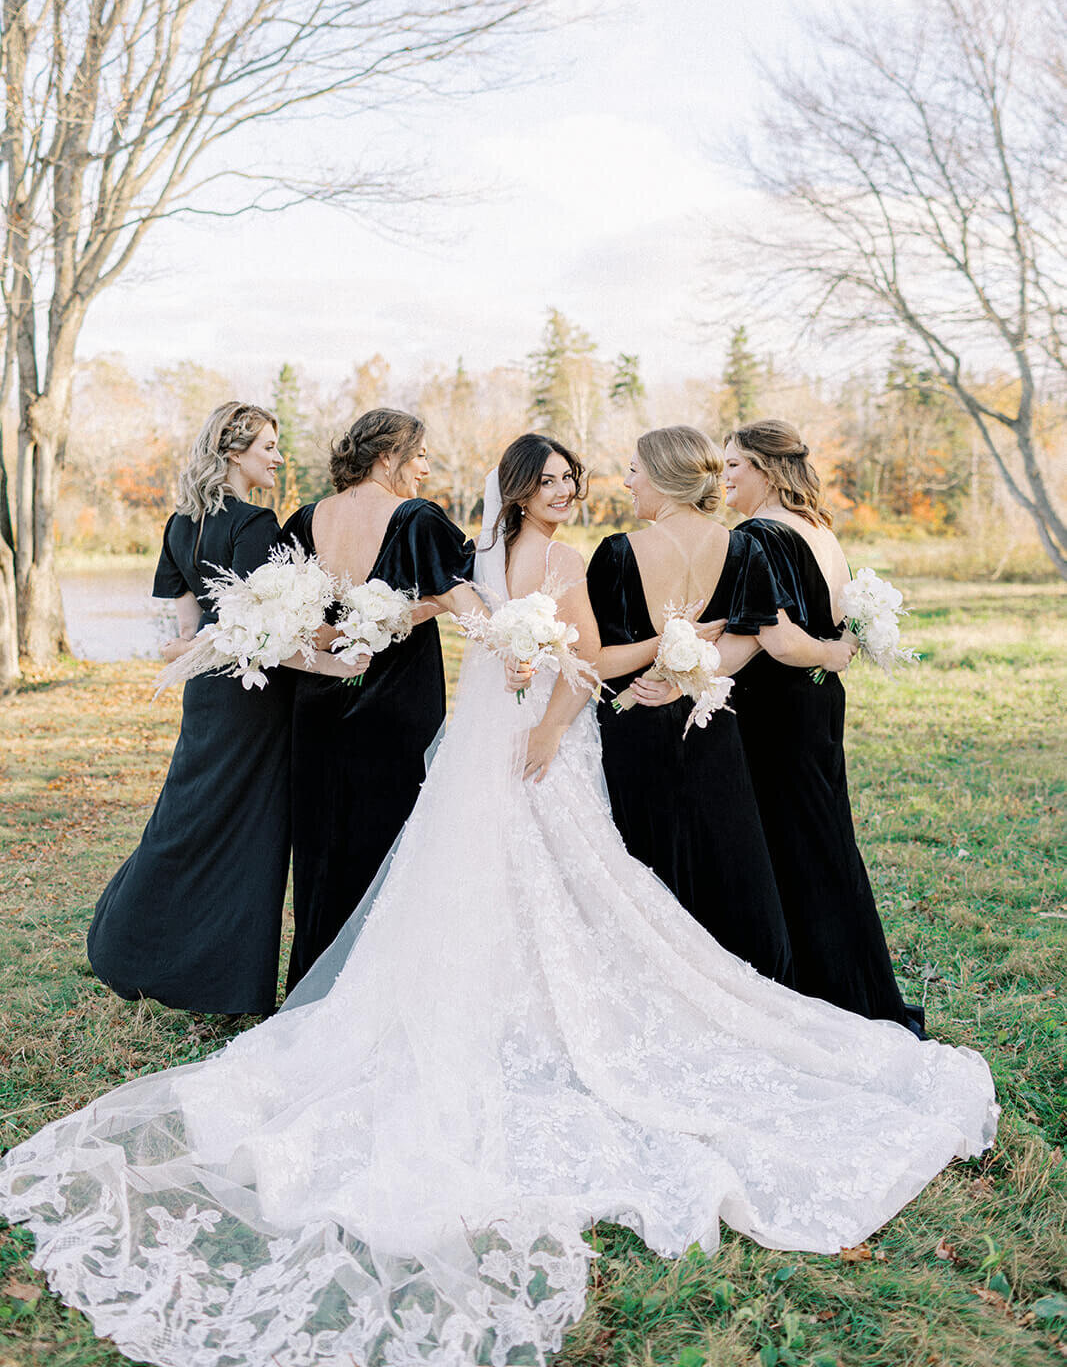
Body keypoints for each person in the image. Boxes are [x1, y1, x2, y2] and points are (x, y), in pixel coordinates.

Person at [0, 433, 997, 1367]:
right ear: (520, 488)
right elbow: (489, 629)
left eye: (574, 483)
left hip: (536, 738)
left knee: (566, 886)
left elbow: (579, 658)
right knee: (459, 878)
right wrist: (538, 668)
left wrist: (557, 698)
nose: (567, 494)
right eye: (552, 483)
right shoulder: (492, 554)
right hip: (494, 741)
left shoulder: (555, 561)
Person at [87, 403, 293, 1016]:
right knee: (252, 834)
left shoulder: (180, 524)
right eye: (267, 446)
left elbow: (183, 632)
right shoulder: (258, 523)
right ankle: (226, 983)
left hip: (203, 693)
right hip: (254, 695)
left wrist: (203, 643)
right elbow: (259, 631)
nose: (277, 457)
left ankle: (141, 945)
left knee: (187, 819)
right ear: (234, 452)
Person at [719, 417, 923, 1031]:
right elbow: (838, 621)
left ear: (765, 469)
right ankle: (847, 986)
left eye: (733, 465)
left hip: (777, 705)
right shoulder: (819, 530)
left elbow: (778, 639)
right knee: (823, 838)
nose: (723, 477)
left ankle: (824, 996)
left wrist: (830, 653)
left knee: (791, 842)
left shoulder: (757, 535)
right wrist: (834, 655)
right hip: (816, 702)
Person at [587, 425, 800, 981]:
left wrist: (661, 677)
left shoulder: (616, 553)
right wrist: (686, 682)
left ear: (660, 476)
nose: (628, 481)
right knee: (722, 850)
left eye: (634, 470)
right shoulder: (744, 546)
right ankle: (732, 979)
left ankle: (654, 981)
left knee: (645, 854)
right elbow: (749, 635)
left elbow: (595, 657)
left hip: (631, 724)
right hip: (709, 722)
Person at [279, 407, 477, 991]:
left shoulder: (305, 518)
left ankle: (318, 981)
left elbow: (290, 624)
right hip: (397, 698)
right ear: (388, 455)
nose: (426, 467)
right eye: (419, 455)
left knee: (322, 837)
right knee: (397, 831)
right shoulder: (417, 519)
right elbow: (463, 601)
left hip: (316, 697)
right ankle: (385, 988)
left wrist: (339, 634)